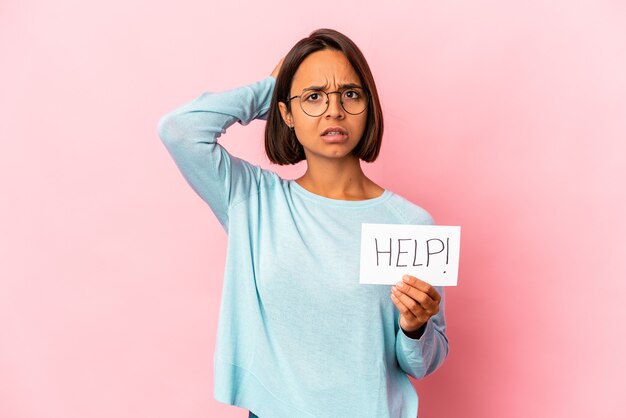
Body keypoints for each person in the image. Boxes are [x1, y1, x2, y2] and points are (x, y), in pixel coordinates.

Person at [158, 28, 448, 418]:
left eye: (350, 94)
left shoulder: (411, 225)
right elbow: (179, 130)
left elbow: (425, 361)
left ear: (369, 107)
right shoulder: (253, 201)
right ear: (286, 115)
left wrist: (415, 327)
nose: (334, 110)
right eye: (313, 97)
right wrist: (270, 89)